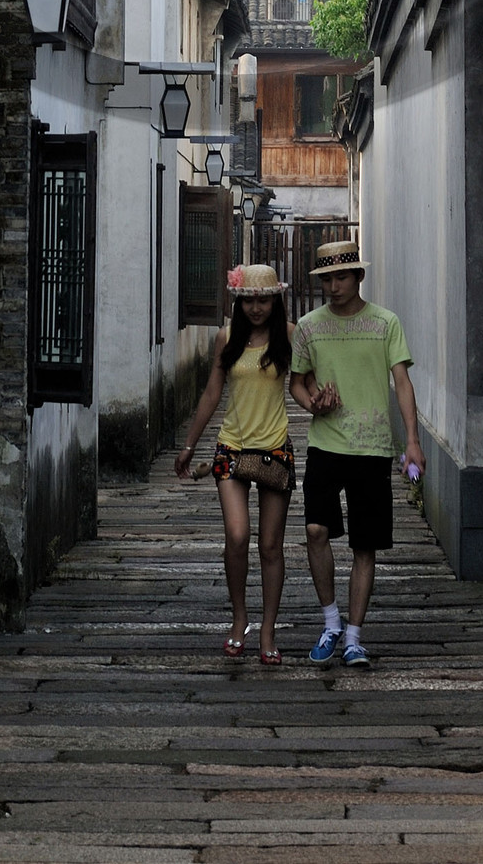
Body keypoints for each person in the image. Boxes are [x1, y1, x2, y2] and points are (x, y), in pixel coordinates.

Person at [288, 236, 423, 667]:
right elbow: (297, 382)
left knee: (365, 545)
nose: (333, 286)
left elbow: (402, 382)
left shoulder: (385, 323)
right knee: (315, 531)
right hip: (326, 444)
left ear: (359, 276)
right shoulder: (309, 326)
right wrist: (314, 404)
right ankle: (330, 622)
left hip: (373, 447)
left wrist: (413, 442)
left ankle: (354, 637)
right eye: (327, 278)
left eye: (341, 276)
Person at [175, 261, 296, 664]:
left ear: (275, 301)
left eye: (264, 300)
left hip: (275, 449)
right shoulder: (227, 337)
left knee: (271, 546)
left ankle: (268, 630)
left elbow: (309, 380)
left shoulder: (290, 337)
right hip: (231, 447)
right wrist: (191, 444)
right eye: (249, 301)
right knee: (238, 536)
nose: (256, 308)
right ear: (239, 302)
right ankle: (239, 617)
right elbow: (212, 393)